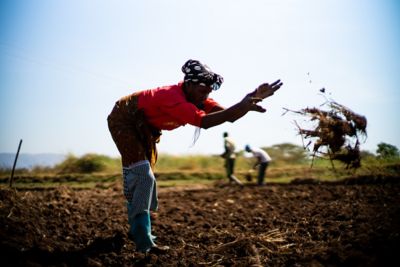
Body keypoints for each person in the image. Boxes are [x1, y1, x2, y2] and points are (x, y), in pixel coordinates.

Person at [107, 59, 283, 253]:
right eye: (202, 91)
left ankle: (137, 228)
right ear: (188, 84)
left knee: (145, 180)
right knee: (142, 176)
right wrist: (242, 105)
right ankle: (143, 241)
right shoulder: (171, 96)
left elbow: (228, 115)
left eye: (208, 92)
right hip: (124, 119)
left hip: (146, 126)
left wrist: (251, 98)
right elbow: (205, 122)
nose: (205, 95)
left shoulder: (198, 97)